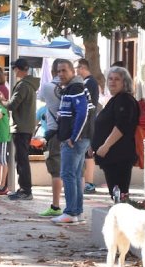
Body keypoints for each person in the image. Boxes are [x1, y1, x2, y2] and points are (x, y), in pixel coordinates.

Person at [52, 59, 94, 225]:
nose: (60, 74)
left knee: (68, 174)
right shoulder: (72, 88)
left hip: (75, 140)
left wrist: (73, 137)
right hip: (78, 139)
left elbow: (83, 113)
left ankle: (70, 212)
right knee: (75, 175)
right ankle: (77, 212)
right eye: (58, 71)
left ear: (72, 72)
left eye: (64, 71)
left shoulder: (75, 88)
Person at [91, 66, 139, 202]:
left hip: (119, 156)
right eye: (110, 79)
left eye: (117, 79)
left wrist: (105, 146)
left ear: (125, 82)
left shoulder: (125, 100)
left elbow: (122, 126)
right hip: (111, 157)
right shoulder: (115, 99)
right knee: (116, 194)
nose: (112, 82)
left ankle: (123, 222)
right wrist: (93, 145)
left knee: (120, 195)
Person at [5, 58, 40, 201]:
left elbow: (12, 105)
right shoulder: (30, 84)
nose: (14, 72)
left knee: (21, 160)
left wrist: (0, 100)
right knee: (21, 159)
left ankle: (26, 190)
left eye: (14, 69)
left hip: (21, 127)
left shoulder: (23, 86)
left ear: (18, 69)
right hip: (25, 126)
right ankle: (23, 189)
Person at [37, 60, 65, 217]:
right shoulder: (72, 88)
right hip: (72, 133)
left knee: (56, 170)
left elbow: (41, 98)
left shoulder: (48, 87)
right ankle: (76, 205)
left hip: (54, 132)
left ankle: (55, 206)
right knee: (75, 172)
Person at [75, 59, 101, 194]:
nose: (75, 71)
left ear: (82, 68)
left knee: (88, 154)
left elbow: (87, 106)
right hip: (89, 121)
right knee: (87, 154)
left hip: (88, 122)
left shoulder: (88, 83)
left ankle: (89, 183)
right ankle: (87, 182)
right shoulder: (90, 82)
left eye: (76, 68)